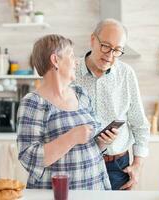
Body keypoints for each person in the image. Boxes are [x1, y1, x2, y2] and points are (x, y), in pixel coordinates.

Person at [16, 34, 117, 190]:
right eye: (71, 55)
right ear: (55, 60)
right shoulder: (33, 102)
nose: (77, 61)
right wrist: (71, 137)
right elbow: (28, 157)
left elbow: (92, 143)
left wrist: (104, 140)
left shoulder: (81, 94)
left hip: (95, 187)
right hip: (58, 193)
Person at [75, 18, 150, 190]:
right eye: (106, 46)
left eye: (117, 50)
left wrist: (137, 165)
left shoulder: (126, 74)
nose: (109, 55)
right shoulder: (71, 71)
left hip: (117, 167)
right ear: (93, 40)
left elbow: (139, 124)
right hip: (79, 164)